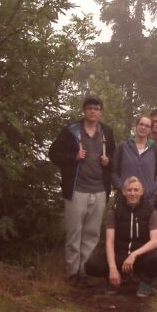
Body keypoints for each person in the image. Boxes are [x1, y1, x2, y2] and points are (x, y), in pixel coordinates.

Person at [48, 96, 116, 284]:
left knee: (92, 233)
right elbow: (53, 153)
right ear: (84, 111)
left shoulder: (106, 132)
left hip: (99, 190)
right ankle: (72, 273)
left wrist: (108, 160)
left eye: (96, 108)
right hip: (76, 189)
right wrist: (73, 156)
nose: (92, 111)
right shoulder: (71, 131)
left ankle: (85, 271)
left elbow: (113, 156)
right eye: (89, 108)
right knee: (74, 232)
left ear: (101, 111)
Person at [85, 176, 157, 298]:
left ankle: (145, 282)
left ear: (142, 191)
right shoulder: (115, 211)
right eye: (129, 190)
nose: (133, 193)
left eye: (136, 190)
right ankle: (115, 278)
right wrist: (112, 268)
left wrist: (134, 255)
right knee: (91, 265)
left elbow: (155, 241)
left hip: (140, 256)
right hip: (119, 255)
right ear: (124, 192)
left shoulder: (150, 210)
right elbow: (109, 242)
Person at [111, 115, 157, 206]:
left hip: (147, 200)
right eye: (141, 124)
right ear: (136, 126)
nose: (143, 127)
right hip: (124, 200)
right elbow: (114, 171)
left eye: (147, 126)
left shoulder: (155, 150)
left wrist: (152, 188)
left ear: (150, 129)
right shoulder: (123, 147)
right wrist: (121, 187)